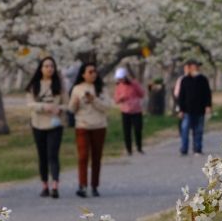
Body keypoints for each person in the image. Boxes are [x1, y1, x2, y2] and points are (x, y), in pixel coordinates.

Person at [25, 56, 65, 198]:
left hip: (55, 124)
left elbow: (66, 103)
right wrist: (44, 106)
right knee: (42, 156)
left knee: (53, 155)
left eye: (52, 66)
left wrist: (59, 108)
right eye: (46, 66)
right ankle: (44, 185)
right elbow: (30, 104)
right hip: (38, 124)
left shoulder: (59, 85)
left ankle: (55, 185)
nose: (49, 69)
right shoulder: (34, 85)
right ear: (41, 69)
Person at [69, 62, 109, 197]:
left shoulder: (101, 88)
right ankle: (82, 185)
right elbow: (71, 109)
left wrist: (94, 100)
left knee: (96, 157)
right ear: (83, 74)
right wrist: (75, 103)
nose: (93, 74)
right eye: (90, 72)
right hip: (82, 125)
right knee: (83, 156)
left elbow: (107, 107)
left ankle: (95, 185)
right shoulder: (77, 88)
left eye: (94, 71)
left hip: (99, 125)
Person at [175, 58, 213, 155]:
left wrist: (208, 106)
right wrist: (180, 109)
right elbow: (181, 96)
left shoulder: (203, 79)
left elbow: (207, 93)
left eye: (196, 66)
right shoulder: (185, 80)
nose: (195, 67)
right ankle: (184, 149)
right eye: (193, 66)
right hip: (187, 110)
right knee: (185, 130)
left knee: (198, 130)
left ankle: (197, 148)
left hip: (200, 109)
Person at [113, 66, 145, 155]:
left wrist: (136, 95)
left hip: (136, 111)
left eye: (122, 79)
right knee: (127, 131)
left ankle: (139, 147)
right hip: (125, 111)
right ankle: (129, 149)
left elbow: (142, 94)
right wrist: (121, 98)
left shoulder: (134, 84)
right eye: (119, 79)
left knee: (138, 129)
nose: (120, 81)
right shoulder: (118, 87)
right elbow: (116, 99)